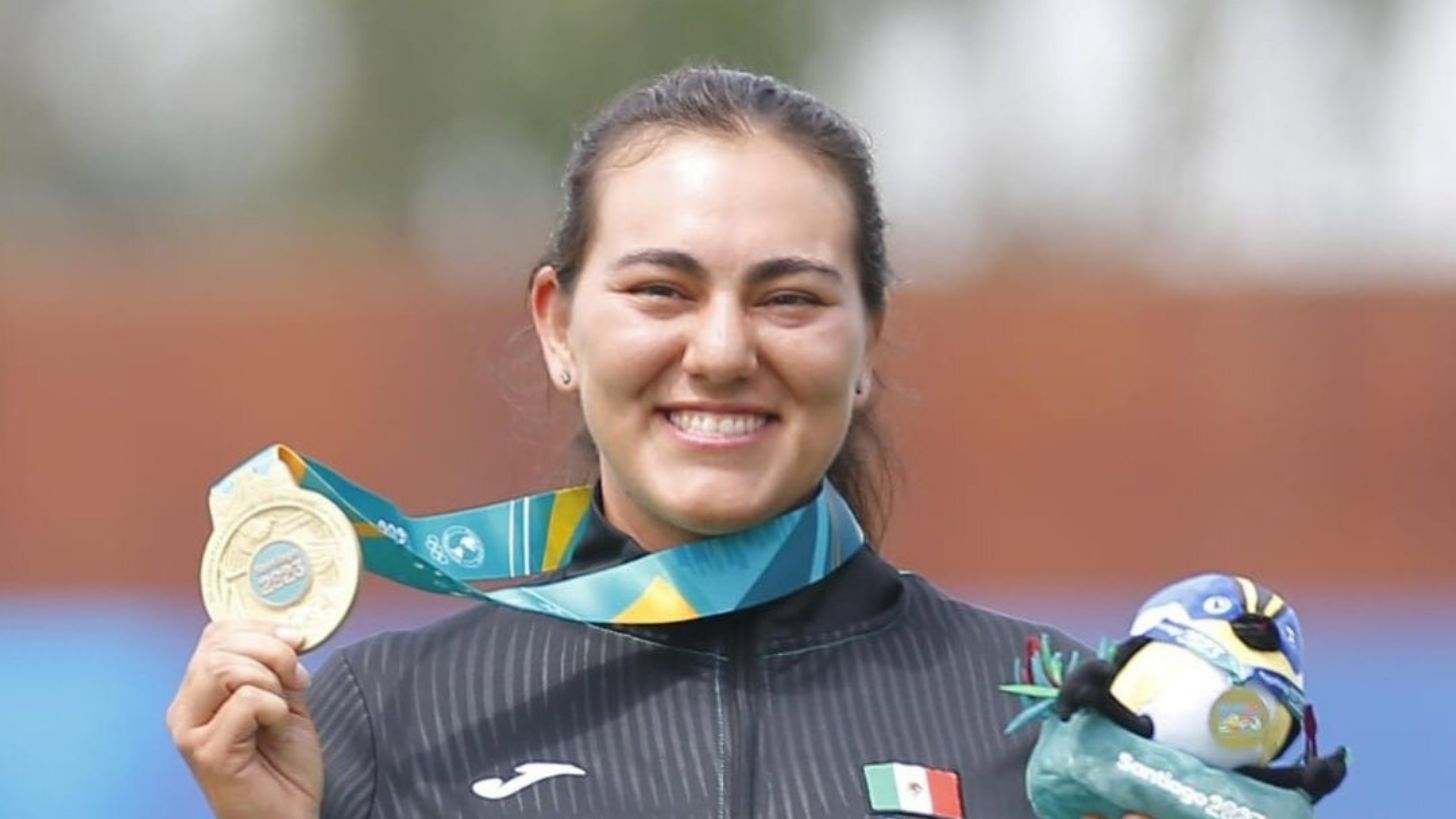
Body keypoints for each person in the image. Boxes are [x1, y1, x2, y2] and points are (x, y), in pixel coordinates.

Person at [167, 66, 1144, 819]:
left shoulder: (1054, 717)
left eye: (788, 299)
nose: (720, 352)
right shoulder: (385, 719)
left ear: (867, 343)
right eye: (660, 291)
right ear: (558, 326)